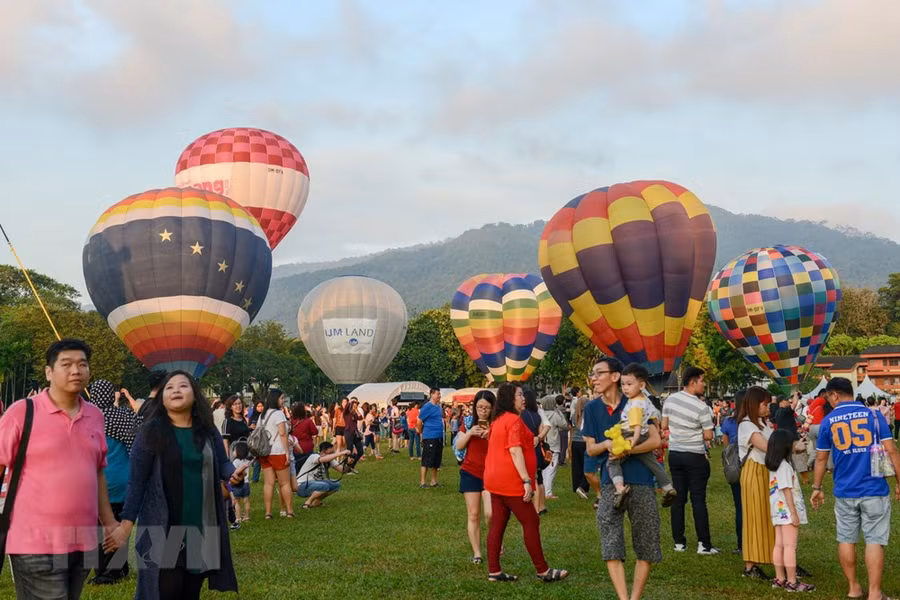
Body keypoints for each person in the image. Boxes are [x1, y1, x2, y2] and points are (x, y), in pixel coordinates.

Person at [104, 370, 241, 600]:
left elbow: (223, 463)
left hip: (200, 525)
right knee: (167, 589)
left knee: (190, 591)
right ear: (162, 398)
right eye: (170, 387)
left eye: (183, 386)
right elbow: (136, 482)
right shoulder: (150, 433)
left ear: (195, 395)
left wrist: (233, 474)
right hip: (163, 528)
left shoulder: (206, 430)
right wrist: (125, 526)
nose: (176, 390)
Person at [0, 339, 118, 600]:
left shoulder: (95, 415)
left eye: (82, 364)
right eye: (66, 364)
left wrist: (109, 523)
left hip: (82, 541)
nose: (76, 370)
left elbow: (96, 473)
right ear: (48, 372)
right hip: (34, 542)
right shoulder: (22, 412)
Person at [811, 377, 900, 600]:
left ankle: (853, 587)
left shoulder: (828, 421)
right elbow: (891, 450)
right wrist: (899, 482)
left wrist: (817, 486)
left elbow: (821, 459)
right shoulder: (874, 415)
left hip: (844, 489)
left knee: (846, 538)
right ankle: (875, 593)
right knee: (874, 540)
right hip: (874, 487)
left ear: (834, 395)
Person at [582, 358, 661, 600]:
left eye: (598, 373)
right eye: (592, 374)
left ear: (615, 376)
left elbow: (656, 441)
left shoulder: (638, 401)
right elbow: (590, 449)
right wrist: (608, 443)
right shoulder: (591, 408)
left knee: (647, 540)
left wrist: (627, 449)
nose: (593, 378)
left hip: (641, 479)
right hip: (610, 483)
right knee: (610, 539)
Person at [483, 383, 568, 583]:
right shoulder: (512, 420)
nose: (523, 398)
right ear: (509, 399)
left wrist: (536, 440)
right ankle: (543, 570)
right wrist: (526, 480)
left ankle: (494, 571)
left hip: (495, 480)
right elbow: (514, 450)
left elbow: (525, 442)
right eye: (519, 395)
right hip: (511, 482)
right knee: (531, 521)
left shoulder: (499, 420)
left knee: (497, 525)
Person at [85, 379, 143, 585]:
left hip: (98, 481)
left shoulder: (88, 419)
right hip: (123, 478)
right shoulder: (126, 416)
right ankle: (120, 567)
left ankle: (106, 572)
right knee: (118, 523)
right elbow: (136, 448)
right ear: (111, 395)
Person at [660, 366, 718, 554]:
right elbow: (709, 436)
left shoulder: (670, 400)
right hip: (694, 455)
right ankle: (704, 544)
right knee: (698, 499)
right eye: (702, 380)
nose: (704, 384)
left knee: (679, 499)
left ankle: (679, 542)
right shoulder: (702, 407)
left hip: (675, 453)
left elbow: (664, 424)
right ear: (693, 381)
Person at [609, 364, 677, 510]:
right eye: (623, 384)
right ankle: (667, 486)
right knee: (652, 462)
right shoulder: (646, 400)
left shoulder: (634, 404)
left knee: (613, 461)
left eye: (629, 384)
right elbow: (655, 416)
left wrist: (632, 441)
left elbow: (636, 425)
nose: (625, 388)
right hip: (646, 435)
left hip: (630, 434)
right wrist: (658, 431)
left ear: (641, 385)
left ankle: (620, 489)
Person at [765, 429, 815, 592]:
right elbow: (787, 490)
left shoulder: (774, 466)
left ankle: (779, 578)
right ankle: (792, 582)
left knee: (779, 545)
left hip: (778, 512)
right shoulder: (785, 466)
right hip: (787, 512)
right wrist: (794, 513)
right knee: (790, 546)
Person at [737, 386, 775, 580]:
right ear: (755, 404)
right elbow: (767, 446)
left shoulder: (762, 423)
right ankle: (750, 565)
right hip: (754, 471)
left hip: (765, 471)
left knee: (769, 517)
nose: (767, 407)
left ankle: (778, 559)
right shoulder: (747, 424)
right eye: (765, 403)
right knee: (754, 516)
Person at [456, 390, 494, 563]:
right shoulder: (469, 422)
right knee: (473, 514)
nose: (483, 411)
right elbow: (459, 446)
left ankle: (495, 540)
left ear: (493, 408)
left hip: (491, 473)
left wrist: (491, 434)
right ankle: (477, 553)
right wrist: (470, 432)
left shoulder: (498, 424)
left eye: (486, 407)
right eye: (479, 407)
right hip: (470, 471)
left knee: (491, 513)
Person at [258, 389, 294, 519]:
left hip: (264, 452)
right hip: (278, 451)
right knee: (284, 483)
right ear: (275, 399)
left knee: (268, 483)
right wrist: (287, 453)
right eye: (281, 398)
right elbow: (283, 433)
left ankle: (268, 512)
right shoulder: (279, 414)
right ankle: (289, 511)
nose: (283, 400)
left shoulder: (263, 415)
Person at [720, 391, 744, 555]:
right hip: (751, 464)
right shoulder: (754, 422)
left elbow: (725, 442)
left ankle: (741, 543)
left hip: (735, 465)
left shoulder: (729, 421)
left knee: (739, 507)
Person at [296, 441, 351, 508]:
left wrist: (349, 464)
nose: (332, 455)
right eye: (330, 453)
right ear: (322, 452)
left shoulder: (329, 459)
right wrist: (340, 453)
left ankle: (316, 502)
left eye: (332, 453)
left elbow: (342, 470)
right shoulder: (314, 456)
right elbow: (322, 460)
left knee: (336, 484)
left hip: (315, 484)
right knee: (324, 486)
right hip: (301, 486)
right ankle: (307, 503)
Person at [520, 388, 548, 514]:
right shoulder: (537, 414)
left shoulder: (521, 414)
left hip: (527, 448)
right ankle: (541, 506)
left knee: (533, 479)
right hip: (537, 447)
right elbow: (546, 426)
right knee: (539, 477)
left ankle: (534, 508)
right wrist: (539, 437)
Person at [538, 395, 567, 499]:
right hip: (553, 445)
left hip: (542, 444)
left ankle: (543, 490)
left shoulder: (540, 414)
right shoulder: (555, 415)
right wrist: (558, 411)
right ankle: (548, 492)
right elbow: (564, 425)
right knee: (551, 469)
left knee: (543, 469)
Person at [418, 388, 444, 488]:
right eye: (438, 394)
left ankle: (433, 481)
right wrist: (421, 434)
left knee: (436, 461)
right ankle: (423, 482)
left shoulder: (438, 407)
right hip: (430, 437)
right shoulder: (427, 407)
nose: (439, 396)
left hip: (438, 436)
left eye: (439, 394)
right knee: (426, 459)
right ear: (432, 394)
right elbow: (419, 422)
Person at [569, 388, 590, 499]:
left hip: (575, 442)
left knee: (576, 465)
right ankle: (583, 485)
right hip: (585, 442)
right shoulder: (588, 416)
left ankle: (576, 485)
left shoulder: (574, 416)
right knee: (586, 465)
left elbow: (571, 427)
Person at [290, 402, 318, 471]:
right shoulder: (308, 421)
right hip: (307, 448)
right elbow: (315, 432)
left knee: (296, 467)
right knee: (308, 468)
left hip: (295, 447)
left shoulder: (291, 421)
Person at [230, 441, 253, 524]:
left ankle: (238, 517)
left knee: (236, 502)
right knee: (246, 500)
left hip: (237, 484)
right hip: (246, 483)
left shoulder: (235, 462)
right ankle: (247, 517)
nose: (233, 452)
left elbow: (234, 473)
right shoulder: (247, 461)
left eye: (234, 450)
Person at [343, 398, 363, 473]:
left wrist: (357, 410)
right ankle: (346, 467)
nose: (355, 404)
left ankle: (352, 465)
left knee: (360, 451)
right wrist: (350, 402)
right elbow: (346, 408)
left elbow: (361, 418)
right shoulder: (346, 413)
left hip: (355, 433)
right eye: (354, 403)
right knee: (349, 450)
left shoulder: (354, 414)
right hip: (348, 432)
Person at [556, 394, 569, 466]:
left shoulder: (556, 408)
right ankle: (561, 460)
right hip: (563, 429)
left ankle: (560, 459)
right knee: (564, 445)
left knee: (560, 445)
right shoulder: (562, 409)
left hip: (558, 429)